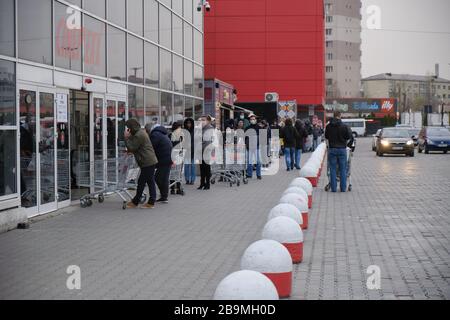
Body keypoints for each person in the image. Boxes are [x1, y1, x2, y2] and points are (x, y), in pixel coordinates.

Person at [124, 119, 158, 209]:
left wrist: (126, 137)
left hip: (147, 161)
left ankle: (136, 201)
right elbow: (137, 146)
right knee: (150, 181)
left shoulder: (139, 135)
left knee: (142, 182)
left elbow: (132, 146)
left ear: (131, 127)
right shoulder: (140, 133)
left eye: (128, 128)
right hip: (149, 160)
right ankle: (151, 201)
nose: (128, 130)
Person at [325, 111, 352, 193]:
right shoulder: (344, 126)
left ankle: (333, 188)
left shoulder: (329, 126)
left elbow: (326, 136)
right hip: (342, 150)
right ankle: (343, 189)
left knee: (332, 169)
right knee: (343, 169)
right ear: (340, 116)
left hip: (332, 149)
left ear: (334, 116)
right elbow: (348, 136)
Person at [147, 124, 173, 203]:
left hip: (163, 159)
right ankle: (164, 196)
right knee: (164, 178)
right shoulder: (162, 134)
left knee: (158, 178)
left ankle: (163, 196)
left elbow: (150, 147)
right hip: (167, 158)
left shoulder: (155, 134)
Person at [198, 115, 214, 190]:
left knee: (206, 168)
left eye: (203, 120)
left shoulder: (210, 128)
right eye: (201, 120)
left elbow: (207, 140)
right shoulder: (201, 128)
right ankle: (202, 183)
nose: (202, 121)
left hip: (207, 150)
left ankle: (207, 184)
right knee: (202, 168)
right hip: (201, 150)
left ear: (207, 121)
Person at [245, 114, 262, 180]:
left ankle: (258, 175)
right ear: (249, 120)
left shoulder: (259, 128)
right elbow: (245, 137)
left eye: (254, 119)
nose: (252, 120)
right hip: (249, 147)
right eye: (251, 119)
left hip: (257, 146)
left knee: (258, 161)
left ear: (256, 120)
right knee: (249, 161)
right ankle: (249, 174)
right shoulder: (247, 128)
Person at [169, 121, 184, 195]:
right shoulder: (171, 135)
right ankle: (172, 188)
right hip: (173, 155)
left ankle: (177, 188)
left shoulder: (181, 136)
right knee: (173, 172)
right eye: (179, 128)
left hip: (179, 156)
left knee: (178, 172)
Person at [183, 118, 196, 185]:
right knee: (187, 166)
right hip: (186, 151)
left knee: (193, 166)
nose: (189, 124)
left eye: (190, 123)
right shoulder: (184, 131)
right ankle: (187, 179)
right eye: (187, 123)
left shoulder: (194, 131)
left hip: (193, 150)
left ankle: (193, 180)